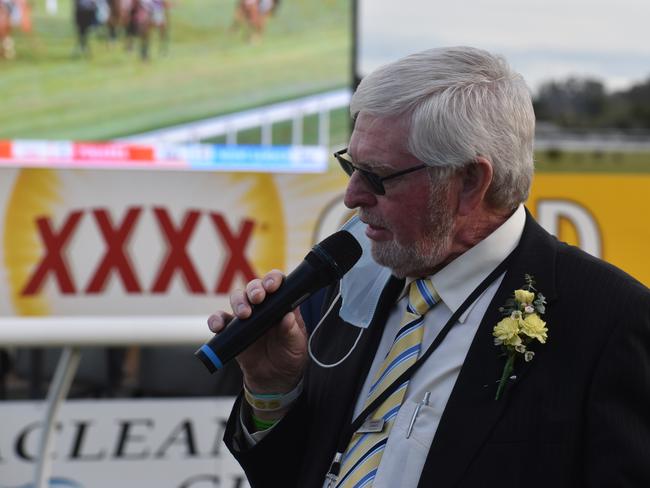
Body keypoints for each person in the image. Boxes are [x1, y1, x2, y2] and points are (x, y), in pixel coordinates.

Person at [207, 46, 650, 487]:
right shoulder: (340, 287)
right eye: (351, 167)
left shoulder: (609, 321)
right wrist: (272, 392)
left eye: (377, 176)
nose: (353, 195)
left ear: (470, 182)